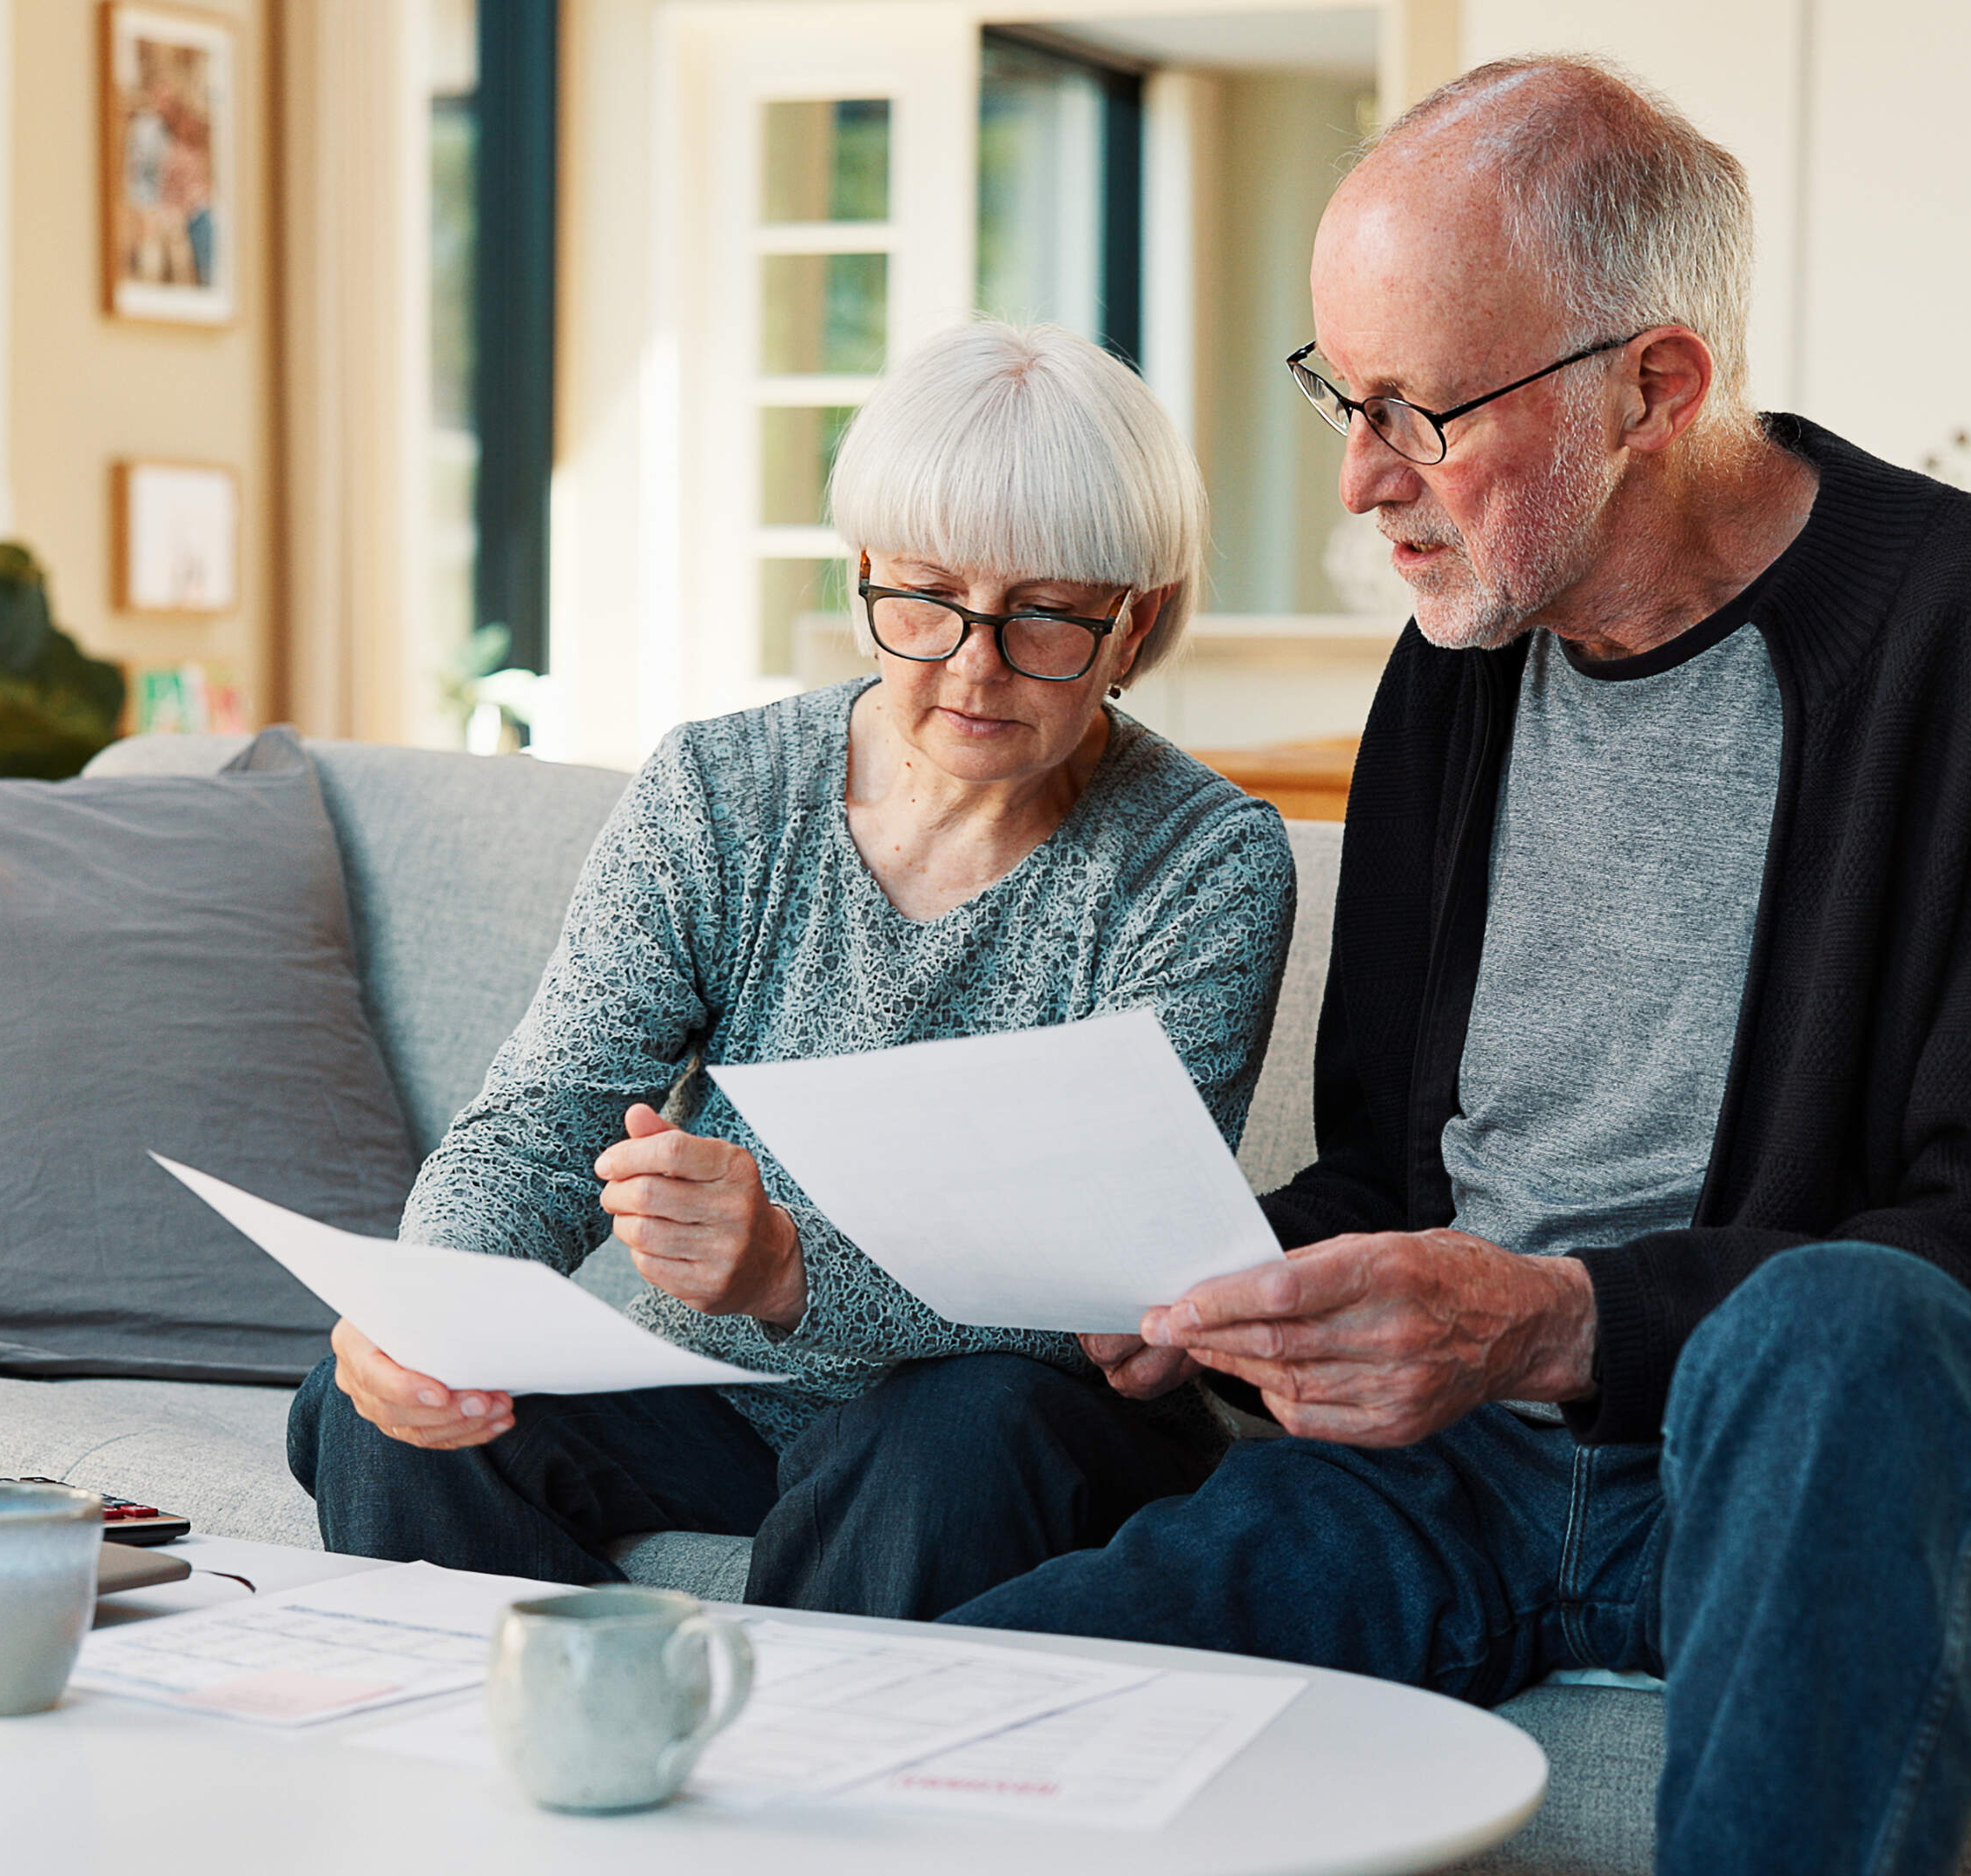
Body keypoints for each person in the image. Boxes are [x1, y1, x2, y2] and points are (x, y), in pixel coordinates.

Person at [948, 57, 1971, 1876]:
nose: (1362, 476)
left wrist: (1565, 1324)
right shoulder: (1454, 666)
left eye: (1416, 407)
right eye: (1338, 392)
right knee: (968, 1715)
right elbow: (1395, 1176)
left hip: (1832, 1462)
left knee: (1831, 1329)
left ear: (1657, 386)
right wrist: (1216, 1283)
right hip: (1459, 1475)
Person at [288, 320, 1296, 1621]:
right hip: (721, 1397)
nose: (973, 666)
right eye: (927, 599)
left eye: (1043, 614)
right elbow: (547, 1120)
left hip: (1004, 1414)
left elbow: (1107, 1303)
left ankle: (804, 1809)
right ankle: (529, 1775)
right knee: (379, 1409)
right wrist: (433, 1303)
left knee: (958, 1438)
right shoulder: (722, 790)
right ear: (868, 572)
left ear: (1134, 617)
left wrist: (787, 1270)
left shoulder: (1203, 861)